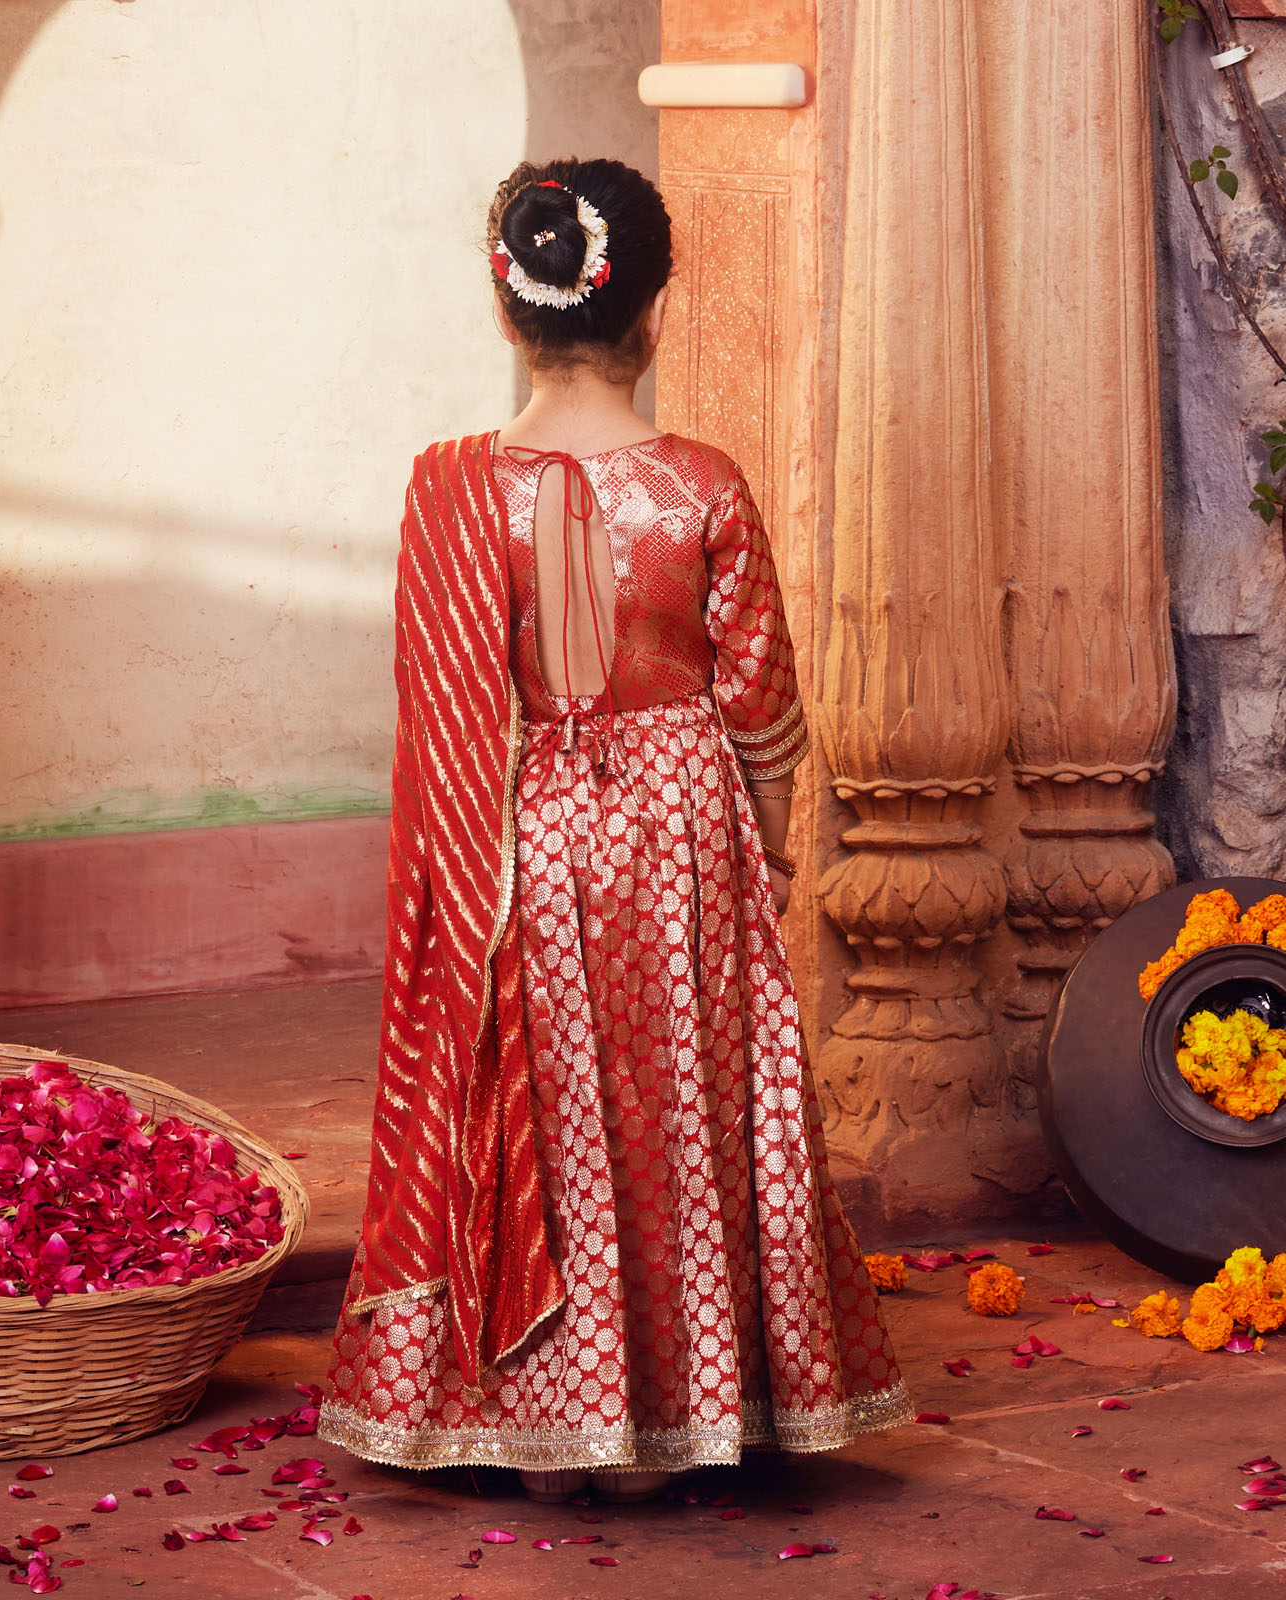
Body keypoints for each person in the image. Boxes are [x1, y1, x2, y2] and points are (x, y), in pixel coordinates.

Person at [319, 157, 913, 1503]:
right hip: (680, 834)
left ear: (507, 310)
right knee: (676, 1112)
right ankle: (683, 1412)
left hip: (515, 837)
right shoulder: (701, 483)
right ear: (651, 313)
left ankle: (551, 1419)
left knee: (549, 1107)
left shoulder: (451, 491)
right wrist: (765, 845)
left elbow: (440, 720)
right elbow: (760, 696)